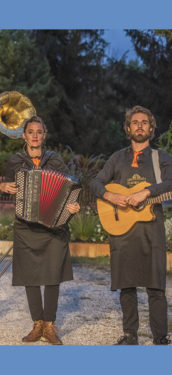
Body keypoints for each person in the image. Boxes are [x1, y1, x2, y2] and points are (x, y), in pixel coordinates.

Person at [90, 105, 172, 345]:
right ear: (128, 128)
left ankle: (160, 338)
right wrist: (110, 196)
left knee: (156, 286)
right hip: (121, 230)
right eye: (135, 122)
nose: (139, 126)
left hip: (151, 230)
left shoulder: (161, 157)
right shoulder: (117, 157)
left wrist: (146, 192)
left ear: (151, 128)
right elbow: (95, 182)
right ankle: (130, 335)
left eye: (144, 122)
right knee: (127, 285)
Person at [0, 116, 80, 345]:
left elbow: (68, 189)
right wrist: (3, 186)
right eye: (30, 131)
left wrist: (72, 207)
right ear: (24, 136)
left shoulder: (54, 161)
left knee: (53, 275)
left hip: (53, 227)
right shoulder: (16, 161)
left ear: (44, 136)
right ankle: (37, 324)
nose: (35, 135)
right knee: (30, 276)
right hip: (25, 226)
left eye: (39, 132)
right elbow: (5, 184)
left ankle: (50, 325)